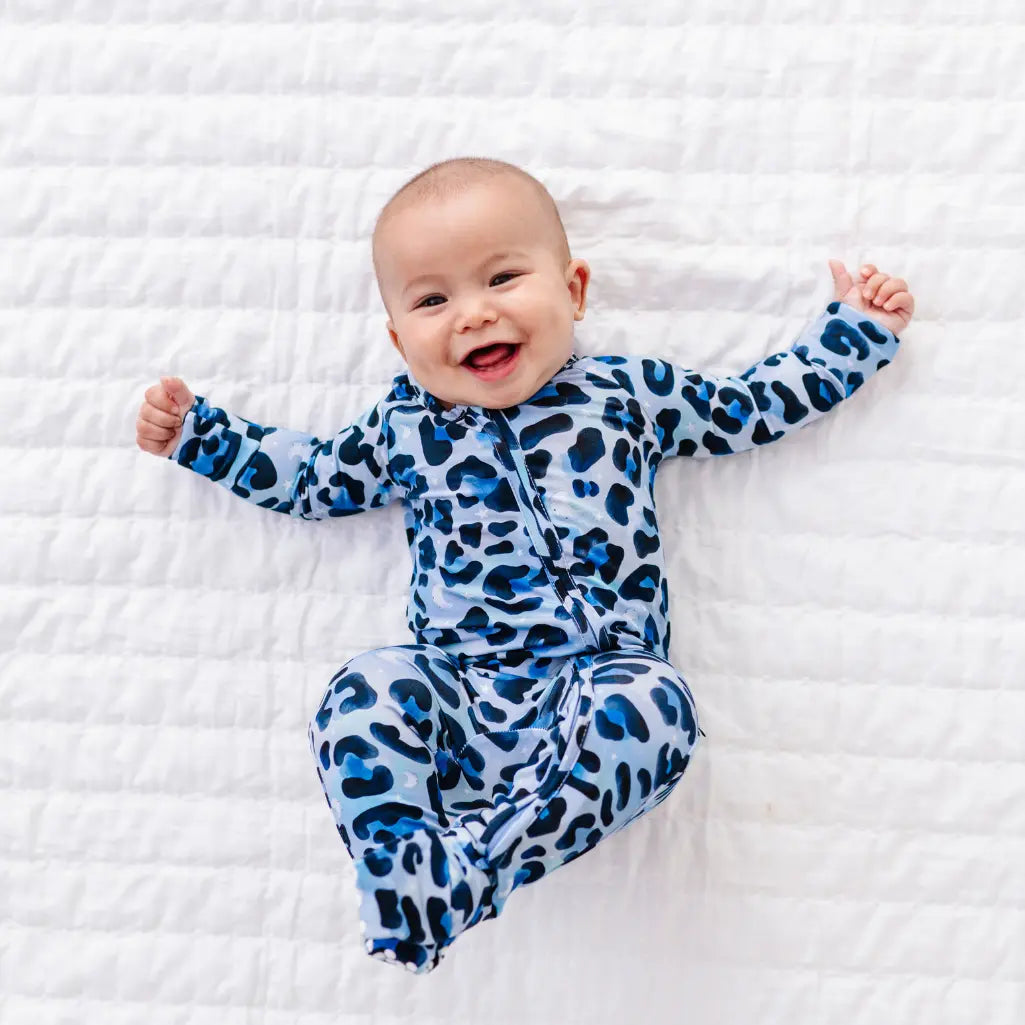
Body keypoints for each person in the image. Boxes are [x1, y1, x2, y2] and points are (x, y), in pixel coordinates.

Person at [135, 157, 915, 975]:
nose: (473, 313)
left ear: (573, 291)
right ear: (398, 341)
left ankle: (463, 873)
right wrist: (201, 436)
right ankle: (406, 868)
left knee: (658, 705)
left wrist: (855, 330)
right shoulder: (404, 427)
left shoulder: (625, 396)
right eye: (431, 301)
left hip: (594, 692)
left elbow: (746, 408)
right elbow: (313, 478)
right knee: (362, 694)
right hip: (458, 696)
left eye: (502, 278)